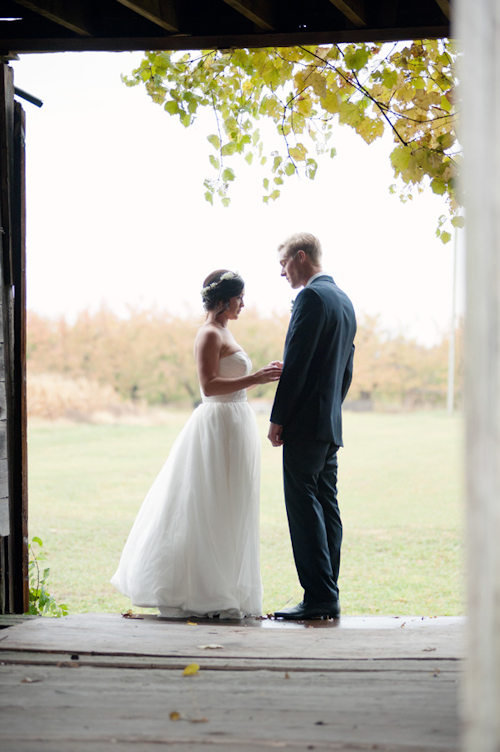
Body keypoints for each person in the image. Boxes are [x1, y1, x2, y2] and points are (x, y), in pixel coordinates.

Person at [111, 270, 282, 619]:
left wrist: (256, 378)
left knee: (233, 507)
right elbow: (209, 387)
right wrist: (258, 378)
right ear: (223, 300)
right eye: (239, 298)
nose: (243, 304)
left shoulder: (224, 330)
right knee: (210, 505)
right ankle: (205, 593)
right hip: (217, 425)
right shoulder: (207, 334)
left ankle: (227, 589)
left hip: (235, 423)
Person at [268, 233, 356, 620]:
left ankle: (319, 597)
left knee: (304, 507)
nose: (282, 272)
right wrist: (332, 411)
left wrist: (278, 419)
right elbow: (347, 368)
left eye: (284, 263)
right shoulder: (344, 301)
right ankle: (327, 591)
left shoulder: (311, 297)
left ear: (300, 257)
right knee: (326, 504)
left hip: (304, 424)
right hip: (328, 423)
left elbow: (297, 362)